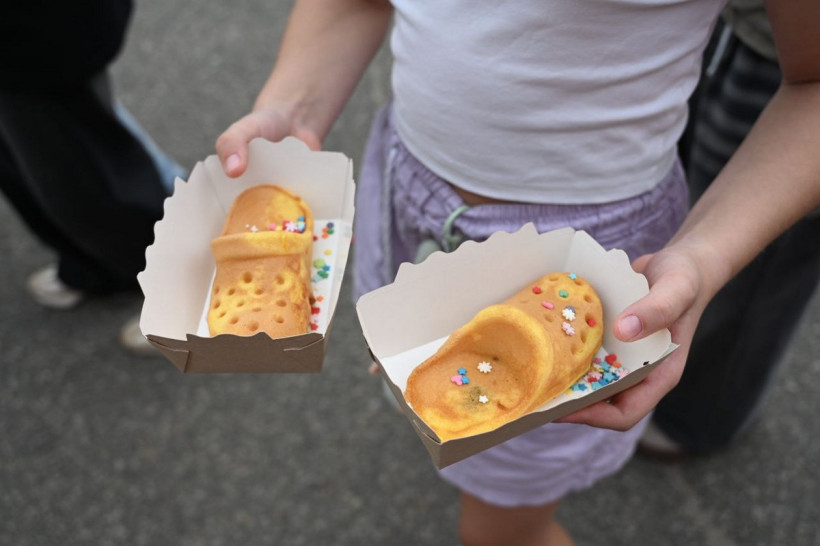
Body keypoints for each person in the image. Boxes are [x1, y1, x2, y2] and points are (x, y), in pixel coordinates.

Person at [215, 1, 820, 544]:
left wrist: (704, 256)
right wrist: (292, 106)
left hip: (585, 262)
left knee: (501, 530)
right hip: (407, 192)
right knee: (423, 389)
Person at [640, 0, 820, 458]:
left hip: (776, 60)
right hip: (737, 27)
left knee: (755, 278)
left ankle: (699, 422)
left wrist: (703, 257)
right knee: (702, 198)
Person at [0, 1, 186, 355]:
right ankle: (98, 265)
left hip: (35, 33)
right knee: (28, 161)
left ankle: (191, 288)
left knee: (87, 170)